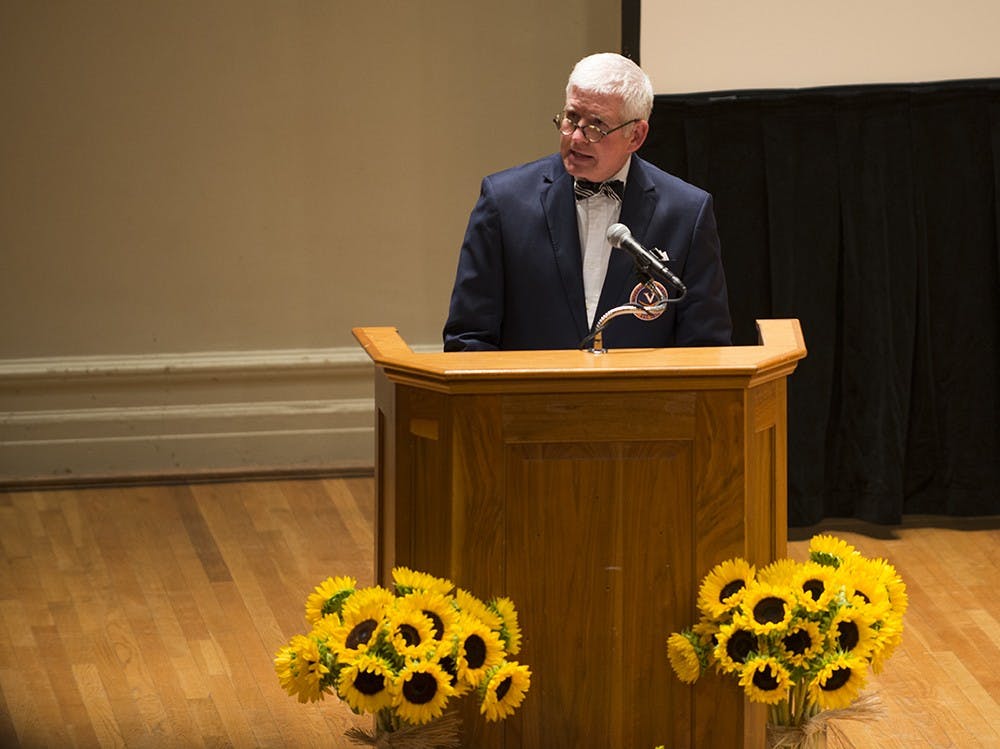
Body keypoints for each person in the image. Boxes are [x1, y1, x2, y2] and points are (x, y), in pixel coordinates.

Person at [443, 52, 732, 352]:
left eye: (596, 125)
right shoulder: (504, 202)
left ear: (636, 135)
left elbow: (706, 348)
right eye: (571, 118)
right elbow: (469, 339)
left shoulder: (686, 212)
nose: (576, 138)